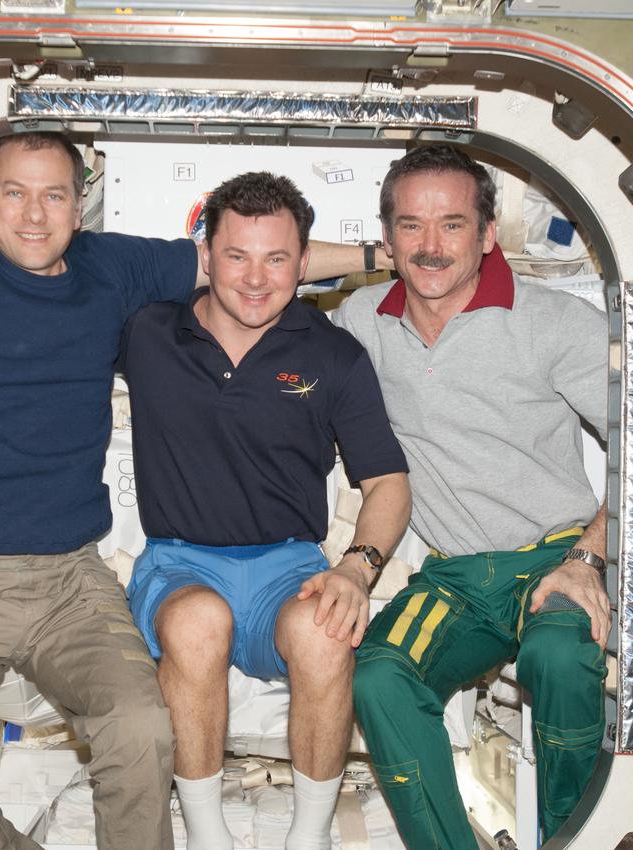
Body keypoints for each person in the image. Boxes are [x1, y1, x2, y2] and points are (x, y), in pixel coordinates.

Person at [0, 72, 381, 850]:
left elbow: (244, 261)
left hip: (69, 582)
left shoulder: (110, 267)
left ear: (78, 205)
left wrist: (387, 252)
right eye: (14, 193)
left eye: (54, 195)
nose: (34, 213)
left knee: (143, 733)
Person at [119, 171, 412, 850]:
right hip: (178, 563)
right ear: (205, 256)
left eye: (277, 258)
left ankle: (309, 836)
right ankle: (206, 834)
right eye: (237, 256)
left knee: (324, 630)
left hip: (286, 565)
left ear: (305, 265)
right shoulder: (146, 331)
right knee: (196, 623)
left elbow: (389, 482)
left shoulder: (332, 353)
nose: (256, 278)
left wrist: (356, 570)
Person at [333, 144, 610, 849]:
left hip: (556, 557)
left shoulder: (552, 321)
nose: (430, 247)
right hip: (457, 575)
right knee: (380, 679)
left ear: (487, 235)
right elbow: (262, 280)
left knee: (557, 659)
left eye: (452, 225)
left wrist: (589, 556)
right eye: (409, 226)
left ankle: (567, 837)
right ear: (386, 237)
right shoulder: (362, 321)